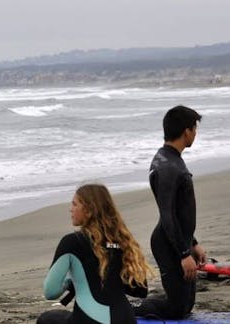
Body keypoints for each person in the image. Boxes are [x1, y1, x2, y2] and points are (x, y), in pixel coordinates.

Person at [37, 184, 151, 324]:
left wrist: (69, 282)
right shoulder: (124, 241)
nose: (70, 209)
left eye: (75, 204)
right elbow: (140, 291)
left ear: (89, 210)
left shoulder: (72, 242)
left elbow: (50, 292)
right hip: (126, 319)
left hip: (90, 320)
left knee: (47, 319)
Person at [134, 105, 206, 320]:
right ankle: (129, 308)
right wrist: (184, 254)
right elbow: (167, 214)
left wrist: (193, 243)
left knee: (186, 305)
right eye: (195, 128)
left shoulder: (170, 158)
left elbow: (178, 211)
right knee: (177, 309)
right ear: (187, 131)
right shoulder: (168, 166)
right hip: (169, 243)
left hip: (178, 239)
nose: (195, 134)